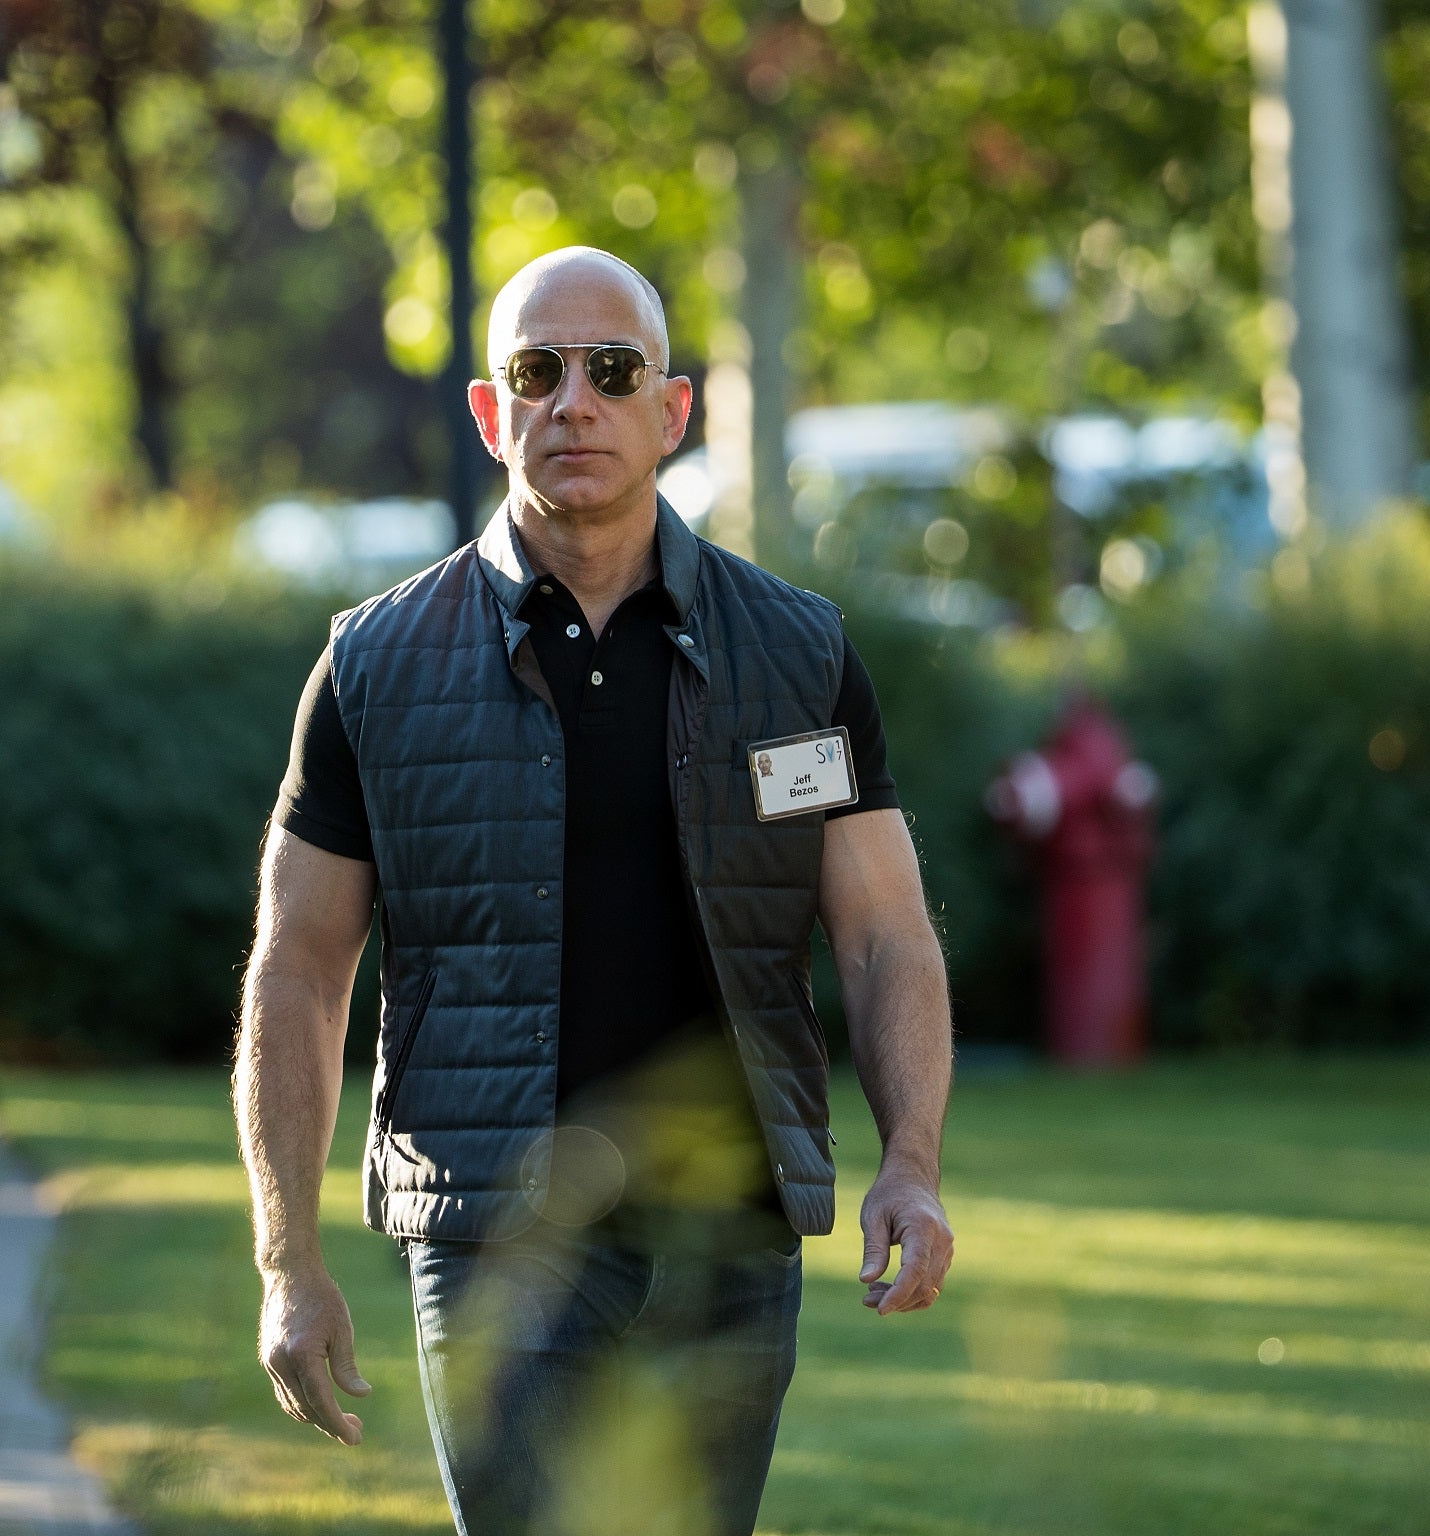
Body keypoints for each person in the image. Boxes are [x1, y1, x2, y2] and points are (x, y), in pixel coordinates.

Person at [234, 246, 954, 1535]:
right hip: (496, 1239)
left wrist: (913, 1160)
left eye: (612, 371)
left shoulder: (794, 658)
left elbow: (885, 934)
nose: (574, 402)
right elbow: (298, 965)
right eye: (537, 371)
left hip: (730, 1242)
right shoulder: (375, 667)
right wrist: (286, 1261)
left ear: (671, 411)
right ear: (487, 408)